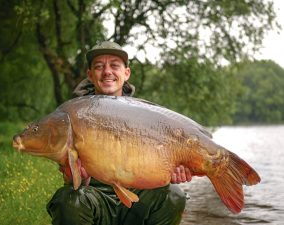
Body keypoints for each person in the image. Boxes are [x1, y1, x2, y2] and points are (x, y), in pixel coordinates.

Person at [47, 41, 192, 225]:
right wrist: (78, 179)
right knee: (68, 199)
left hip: (137, 201)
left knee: (174, 194)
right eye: (99, 66)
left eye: (114, 65)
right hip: (95, 200)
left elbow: (161, 166)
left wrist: (174, 173)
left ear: (126, 73)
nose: (107, 71)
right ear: (90, 75)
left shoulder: (144, 114)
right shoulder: (75, 114)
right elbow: (71, 181)